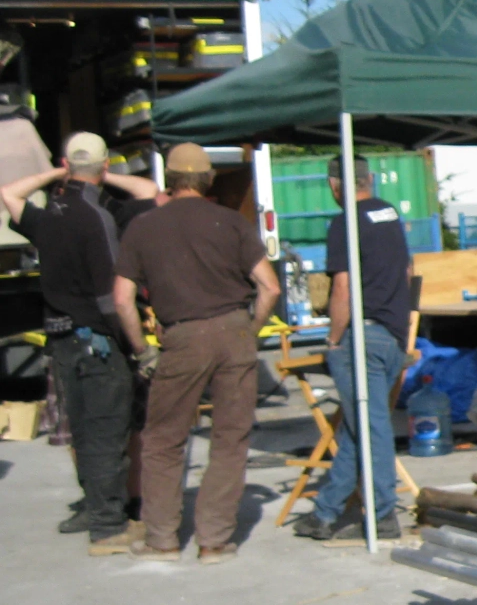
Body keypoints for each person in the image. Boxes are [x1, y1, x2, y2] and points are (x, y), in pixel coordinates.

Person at [113, 143, 280, 564]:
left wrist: (141, 350)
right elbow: (271, 287)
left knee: (163, 441)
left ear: (170, 178)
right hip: (233, 331)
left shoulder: (143, 227)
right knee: (229, 438)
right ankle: (213, 541)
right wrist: (250, 330)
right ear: (208, 179)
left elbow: (121, 299)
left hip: (181, 337)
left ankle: (163, 539)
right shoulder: (231, 223)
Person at [1, 132, 157, 553]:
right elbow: (110, 296)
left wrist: (60, 171)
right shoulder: (97, 217)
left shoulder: (51, 213)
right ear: (106, 166)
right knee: (109, 432)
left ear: (66, 166)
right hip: (99, 342)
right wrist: (136, 345)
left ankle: (94, 507)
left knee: (86, 434)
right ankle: (109, 527)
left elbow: (9, 193)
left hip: (63, 344)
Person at [292, 155, 412, 542]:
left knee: (370, 426)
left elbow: (341, 288)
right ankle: (325, 513)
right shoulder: (389, 214)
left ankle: (382, 514)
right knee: (361, 427)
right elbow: (407, 272)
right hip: (392, 334)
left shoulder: (345, 223)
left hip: (361, 336)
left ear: (334, 185)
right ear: (370, 179)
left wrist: (332, 340)